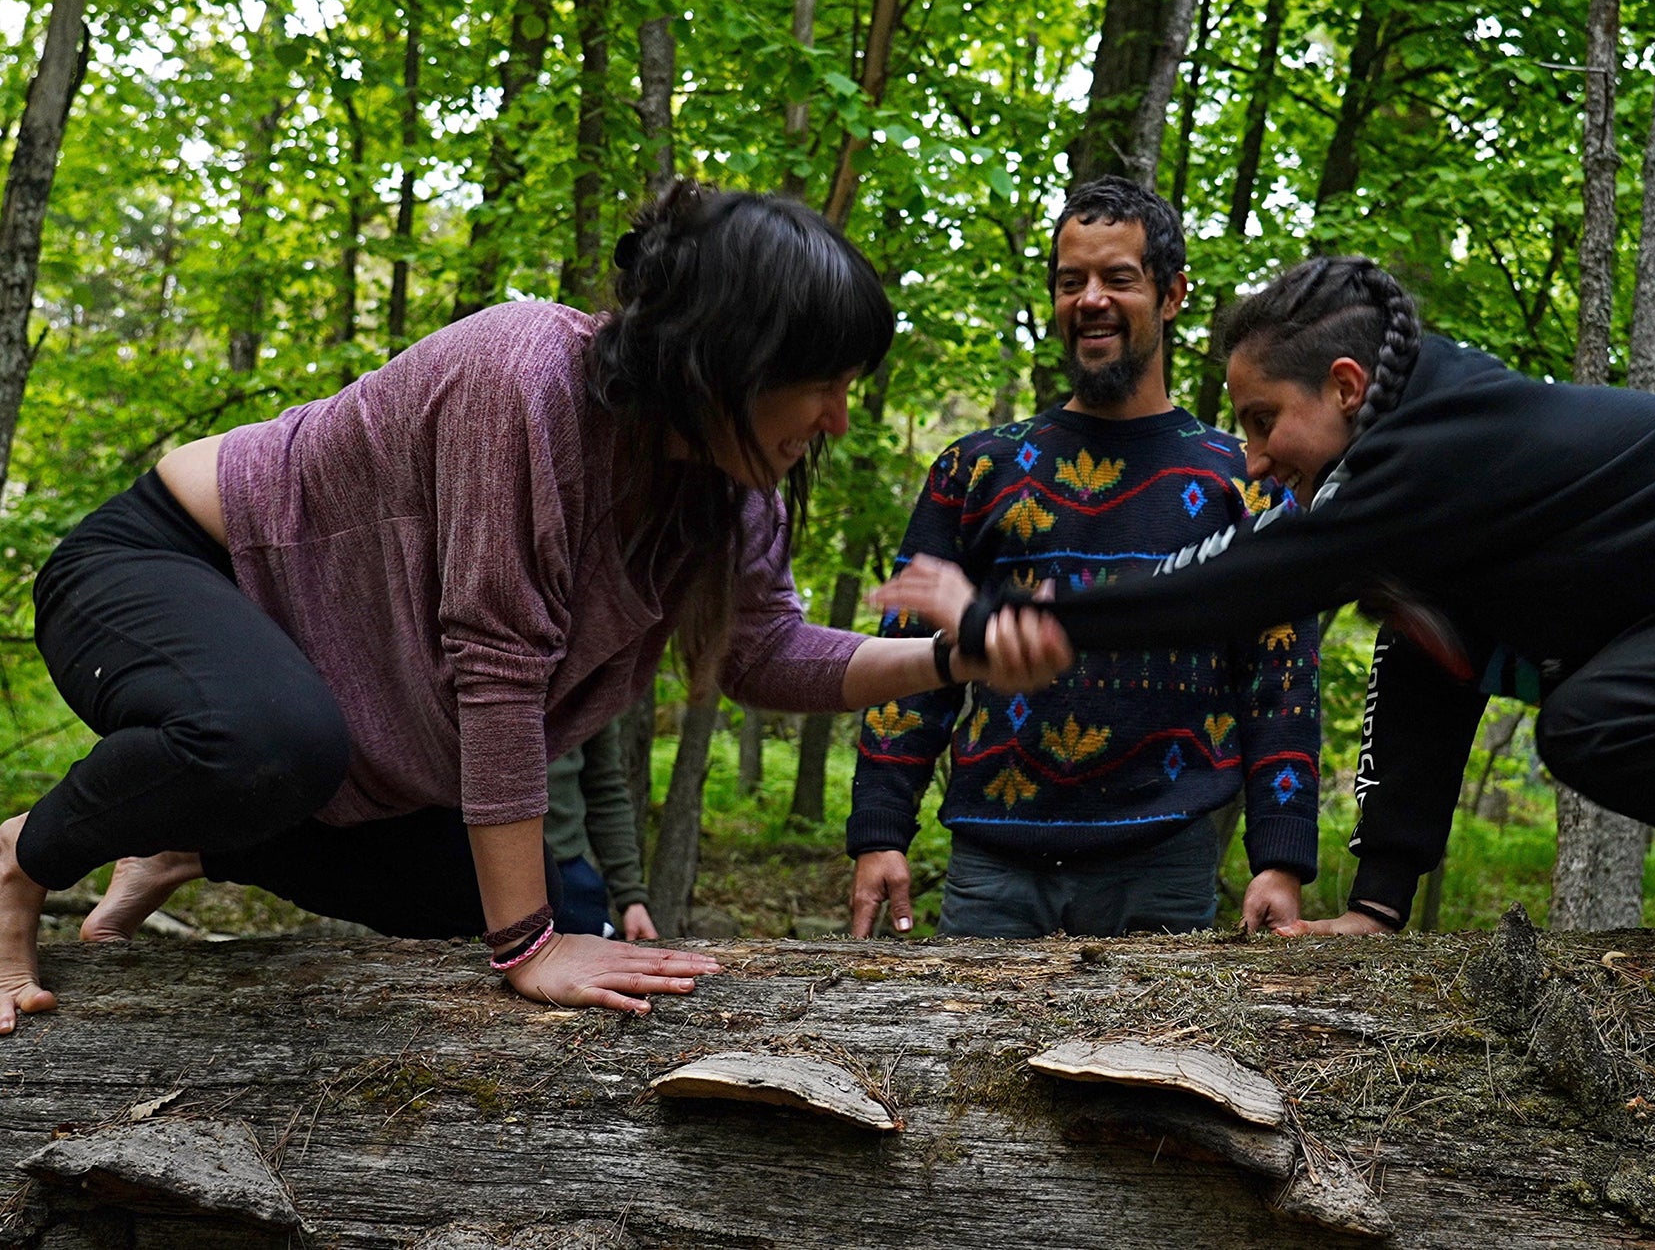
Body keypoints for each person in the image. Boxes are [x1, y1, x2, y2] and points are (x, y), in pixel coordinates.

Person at [0, 182, 1063, 1035]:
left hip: (310, 703)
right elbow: (495, 669)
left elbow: (765, 653)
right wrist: (526, 952)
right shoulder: (525, 378)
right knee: (285, 748)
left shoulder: (727, 487)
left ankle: (190, 833)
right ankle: (18, 858)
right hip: (165, 569)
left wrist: (947, 657)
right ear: (729, 361)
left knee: (469, 896)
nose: (836, 418)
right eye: (822, 383)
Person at [879, 255, 1655, 968]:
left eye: (1265, 421)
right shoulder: (1422, 505)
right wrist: (1378, 902)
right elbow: (1426, 675)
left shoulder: (1432, 449)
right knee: (1597, 710)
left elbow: (1238, 581)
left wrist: (1012, 620)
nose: (1255, 457)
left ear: (1341, 389)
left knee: (1599, 723)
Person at [845, 176, 1321, 939]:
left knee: (1162, 1062)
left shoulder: (1247, 484)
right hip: (991, 867)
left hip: (1167, 862)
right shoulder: (973, 470)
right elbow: (910, 662)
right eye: (1072, 282)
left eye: (1117, 279)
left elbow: (1281, 683)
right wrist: (879, 832)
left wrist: (1282, 856)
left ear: (1171, 295)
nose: (1090, 299)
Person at [546, 719, 655, 940]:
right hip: (465, 875)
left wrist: (630, 895)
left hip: (565, 875)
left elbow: (604, 788)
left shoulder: (585, 688)